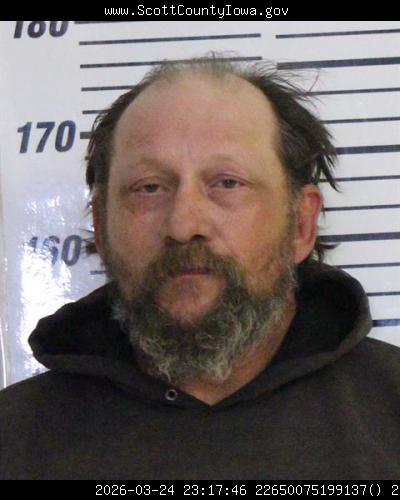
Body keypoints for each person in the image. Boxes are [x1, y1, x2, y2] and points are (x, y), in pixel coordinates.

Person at [0, 55, 399, 480]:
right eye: (149, 188)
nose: (184, 224)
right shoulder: (13, 440)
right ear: (101, 227)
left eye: (227, 183)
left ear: (301, 224)